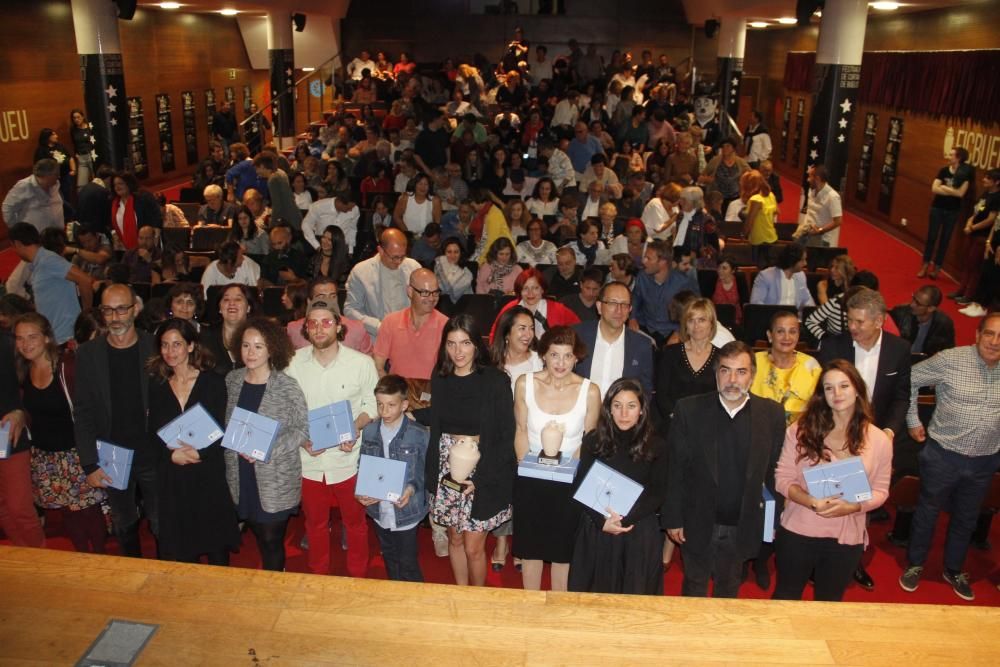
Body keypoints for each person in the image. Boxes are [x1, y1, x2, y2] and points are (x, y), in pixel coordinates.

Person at [663, 341, 785, 597]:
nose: (732, 380)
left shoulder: (771, 414)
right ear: (716, 373)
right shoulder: (688, 410)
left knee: (729, 589)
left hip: (743, 521)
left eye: (741, 371)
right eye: (725, 370)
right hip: (697, 520)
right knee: (694, 585)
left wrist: (773, 520)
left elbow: (775, 472)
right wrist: (673, 518)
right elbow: (675, 470)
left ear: (752, 375)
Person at [898, 313, 1000, 601]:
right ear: (978, 334)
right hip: (943, 455)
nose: (994, 342)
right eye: (989, 334)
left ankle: (954, 568)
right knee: (927, 512)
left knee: (967, 518)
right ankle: (915, 564)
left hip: (985, 460)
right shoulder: (951, 360)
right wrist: (912, 420)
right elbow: (909, 380)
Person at [772, 360, 892, 601]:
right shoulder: (800, 430)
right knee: (786, 597)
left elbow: (881, 491)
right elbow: (782, 478)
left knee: (830, 603)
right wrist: (810, 501)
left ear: (857, 389)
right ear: (821, 394)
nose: (837, 394)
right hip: (799, 530)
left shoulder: (879, 440)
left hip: (846, 536)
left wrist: (855, 506)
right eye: (829, 388)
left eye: (844, 386)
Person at [818, 287, 911, 591]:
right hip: (835, 437)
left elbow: (901, 397)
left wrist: (889, 432)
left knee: (860, 506)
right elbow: (822, 395)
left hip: (875, 441)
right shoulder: (833, 346)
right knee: (830, 498)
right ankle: (820, 559)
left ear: (879, 321)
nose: (852, 327)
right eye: (850, 320)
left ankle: (851, 562)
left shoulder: (899, 350)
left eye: (859, 321)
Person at [287, 301, 378, 577]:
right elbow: (287, 409)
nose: (319, 328)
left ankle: (357, 577)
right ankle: (318, 576)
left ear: (339, 326)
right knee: (314, 524)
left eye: (326, 322)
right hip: (309, 460)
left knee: (355, 524)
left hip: (348, 459)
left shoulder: (361, 363)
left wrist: (355, 426)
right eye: (312, 323)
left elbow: (372, 405)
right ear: (305, 329)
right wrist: (302, 439)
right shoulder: (292, 363)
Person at [424, 314, 515, 586]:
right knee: (454, 537)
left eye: (465, 343)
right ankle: (460, 595)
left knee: (474, 546)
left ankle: (478, 599)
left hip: (482, 463)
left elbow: (504, 435)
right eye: (451, 344)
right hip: (448, 463)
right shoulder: (440, 378)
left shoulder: (496, 381)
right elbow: (438, 417)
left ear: (477, 344)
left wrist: (481, 478)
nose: (458, 351)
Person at [513, 327, 601, 591]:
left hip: (569, 480)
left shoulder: (590, 391)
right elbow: (520, 431)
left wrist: (567, 472)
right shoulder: (524, 383)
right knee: (531, 550)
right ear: (543, 356)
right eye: (554, 355)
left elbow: (589, 440)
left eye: (567, 356)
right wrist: (526, 469)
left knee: (564, 552)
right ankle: (530, 607)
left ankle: (559, 609)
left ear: (577, 358)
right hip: (531, 478)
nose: (560, 363)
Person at [146, 318, 239, 564]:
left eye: (177, 344)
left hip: (208, 474)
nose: (170, 351)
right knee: (182, 551)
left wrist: (202, 454)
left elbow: (224, 428)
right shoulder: (156, 386)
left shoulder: (214, 383)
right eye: (164, 345)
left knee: (217, 550)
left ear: (190, 346)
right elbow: (151, 434)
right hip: (173, 478)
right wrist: (169, 456)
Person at [74, 284, 157, 557]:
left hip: (152, 452)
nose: (115, 317)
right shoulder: (88, 354)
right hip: (112, 454)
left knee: (161, 522)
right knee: (124, 524)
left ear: (135, 309)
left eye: (122, 309)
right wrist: (89, 463)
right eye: (108, 310)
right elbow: (83, 412)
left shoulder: (154, 346)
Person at [13, 312, 105, 552]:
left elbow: (90, 407)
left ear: (46, 338)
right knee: (68, 514)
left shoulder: (67, 366)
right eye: (20, 338)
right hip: (45, 456)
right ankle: (82, 558)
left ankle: (100, 560)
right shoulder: (21, 371)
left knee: (88, 511)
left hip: (76, 453)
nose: (26, 344)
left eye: (32, 337)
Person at [567, 378, 668, 595]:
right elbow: (581, 484)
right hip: (597, 527)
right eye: (617, 405)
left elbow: (658, 492)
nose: (624, 413)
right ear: (608, 409)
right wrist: (602, 522)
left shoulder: (656, 445)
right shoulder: (593, 441)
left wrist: (623, 520)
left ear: (641, 410)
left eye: (631, 406)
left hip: (637, 530)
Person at [224, 316, 307, 571]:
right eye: (246, 345)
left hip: (274, 474)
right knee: (255, 531)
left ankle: (276, 583)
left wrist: (268, 449)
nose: (251, 352)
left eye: (258, 346)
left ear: (272, 348)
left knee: (271, 539)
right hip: (240, 471)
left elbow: (302, 430)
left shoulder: (286, 386)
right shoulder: (232, 380)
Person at [356, 374, 430, 582]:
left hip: (406, 510)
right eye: (380, 404)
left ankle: (414, 602)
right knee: (388, 556)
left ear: (404, 404)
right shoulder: (370, 431)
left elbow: (425, 472)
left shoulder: (418, 433)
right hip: (379, 510)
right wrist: (360, 489)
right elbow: (363, 465)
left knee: (407, 562)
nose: (384, 411)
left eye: (391, 405)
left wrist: (411, 488)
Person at [8, 223, 93, 345]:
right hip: (56, 337)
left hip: (66, 336)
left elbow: (84, 280)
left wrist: (86, 316)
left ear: (17, 244)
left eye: (13, 247)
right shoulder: (38, 264)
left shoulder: (48, 260)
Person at [573, 281, 655, 397]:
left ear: (630, 309)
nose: (619, 310)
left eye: (624, 304)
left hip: (621, 413)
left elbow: (645, 390)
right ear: (599, 307)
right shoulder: (576, 335)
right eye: (612, 303)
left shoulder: (642, 345)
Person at [344, 228, 422, 341]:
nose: (398, 261)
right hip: (375, 337)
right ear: (380, 250)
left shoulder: (413, 267)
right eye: (394, 257)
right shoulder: (361, 271)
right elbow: (350, 310)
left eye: (402, 256)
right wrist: (379, 327)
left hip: (409, 336)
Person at [373, 269, 449, 380]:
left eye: (435, 292)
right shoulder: (390, 322)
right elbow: (377, 366)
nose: (432, 298)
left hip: (432, 393)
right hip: (398, 393)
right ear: (410, 291)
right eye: (425, 293)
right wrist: (391, 391)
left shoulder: (446, 325)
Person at [751, 311, 822, 425]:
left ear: (798, 335)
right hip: (759, 431)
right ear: (770, 336)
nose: (787, 337)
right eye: (780, 331)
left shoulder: (811, 366)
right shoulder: (753, 362)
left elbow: (820, 408)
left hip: (800, 434)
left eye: (792, 332)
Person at [629, 239, 698, 346]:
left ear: (662, 262)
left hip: (672, 331)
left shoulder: (683, 282)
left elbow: (695, 310)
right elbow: (636, 298)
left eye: (648, 258)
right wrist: (632, 317)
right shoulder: (642, 277)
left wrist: (679, 331)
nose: (643, 261)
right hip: (646, 327)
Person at [919, 146, 974, 279]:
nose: (948, 157)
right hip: (937, 208)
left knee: (945, 240)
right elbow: (934, 189)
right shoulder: (943, 171)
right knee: (932, 237)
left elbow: (961, 193)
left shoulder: (965, 174)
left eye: (951, 155)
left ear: (958, 158)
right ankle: (925, 265)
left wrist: (944, 187)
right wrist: (951, 191)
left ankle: (937, 268)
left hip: (952, 211)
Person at [489, 268, 581, 342]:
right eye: (525, 288)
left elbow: (579, 331)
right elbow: (495, 335)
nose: (530, 293)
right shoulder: (510, 309)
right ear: (519, 291)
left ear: (542, 289)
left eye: (535, 288)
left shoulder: (559, 310)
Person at [952, 168, 1000, 305]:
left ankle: (969, 295)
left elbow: (991, 219)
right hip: (972, 233)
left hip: (982, 236)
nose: (984, 180)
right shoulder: (986, 193)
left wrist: (972, 227)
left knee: (975, 266)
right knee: (967, 263)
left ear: (997, 182)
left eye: (988, 178)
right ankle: (961, 290)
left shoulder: (997, 198)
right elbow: (977, 211)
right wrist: (969, 222)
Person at [202, 283, 256, 377]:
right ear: (220, 308)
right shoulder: (206, 337)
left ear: (248, 307)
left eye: (238, 299)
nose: (232, 303)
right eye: (226, 299)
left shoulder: (259, 337)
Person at [889, 285, 956, 357]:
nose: (912, 304)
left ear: (931, 308)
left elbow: (949, 352)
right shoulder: (899, 313)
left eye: (918, 303)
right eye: (913, 298)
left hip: (926, 363)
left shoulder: (944, 324)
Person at [2, 159, 64, 233]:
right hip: (34, 238)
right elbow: (7, 208)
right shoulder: (24, 186)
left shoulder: (55, 185)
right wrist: (17, 230)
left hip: (55, 235)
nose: (59, 176)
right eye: (56, 174)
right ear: (47, 175)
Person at [750, 243, 816, 310]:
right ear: (792, 260)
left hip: (795, 318)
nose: (805, 263)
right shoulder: (765, 276)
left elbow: (808, 300)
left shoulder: (801, 276)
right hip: (773, 318)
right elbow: (756, 304)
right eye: (802, 260)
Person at [110, 171, 162, 250]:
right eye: (115, 185)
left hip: (147, 244)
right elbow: (113, 224)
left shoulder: (143, 197)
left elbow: (156, 219)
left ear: (129, 183)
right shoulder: (114, 203)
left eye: (120, 183)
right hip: (125, 248)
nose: (117, 187)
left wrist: (154, 241)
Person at [795, 164, 843, 248]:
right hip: (805, 233)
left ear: (817, 179)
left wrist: (820, 230)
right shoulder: (811, 190)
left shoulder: (833, 197)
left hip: (821, 239)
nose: (808, 180)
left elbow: (838, 221)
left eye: (810, 177)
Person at [302, 192, 360, 257]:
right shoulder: (318, 206)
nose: (351, 210)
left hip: (342, 245)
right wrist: (317, 246)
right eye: (348, 208)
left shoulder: (355, 209)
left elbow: (352, 229)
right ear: (340, 203)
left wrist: (350, 250)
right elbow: (306, 225)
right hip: (322, 242)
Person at [254, 153, 302, 231]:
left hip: (289, 221)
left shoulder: (273, 179)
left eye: (257, 168)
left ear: (262, 166)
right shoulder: (280, 172)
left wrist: (271, 226)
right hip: (295, 216)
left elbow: (277, 206)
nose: (256, 172)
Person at [740, 169, 778, 267]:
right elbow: (777, 211)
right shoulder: (771, 195)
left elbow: (749, 223)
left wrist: (743, 235)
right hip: (771, 238)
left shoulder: (756, 199)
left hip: (759, 241)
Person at [434, 237, 474, 302]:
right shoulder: (437, 270)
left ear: (461, 254)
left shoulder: (466, 273)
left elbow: (449, 291)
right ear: (443, 253)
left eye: (456, 252)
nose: (453, 255)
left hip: (463, 308)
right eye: (449, 252)